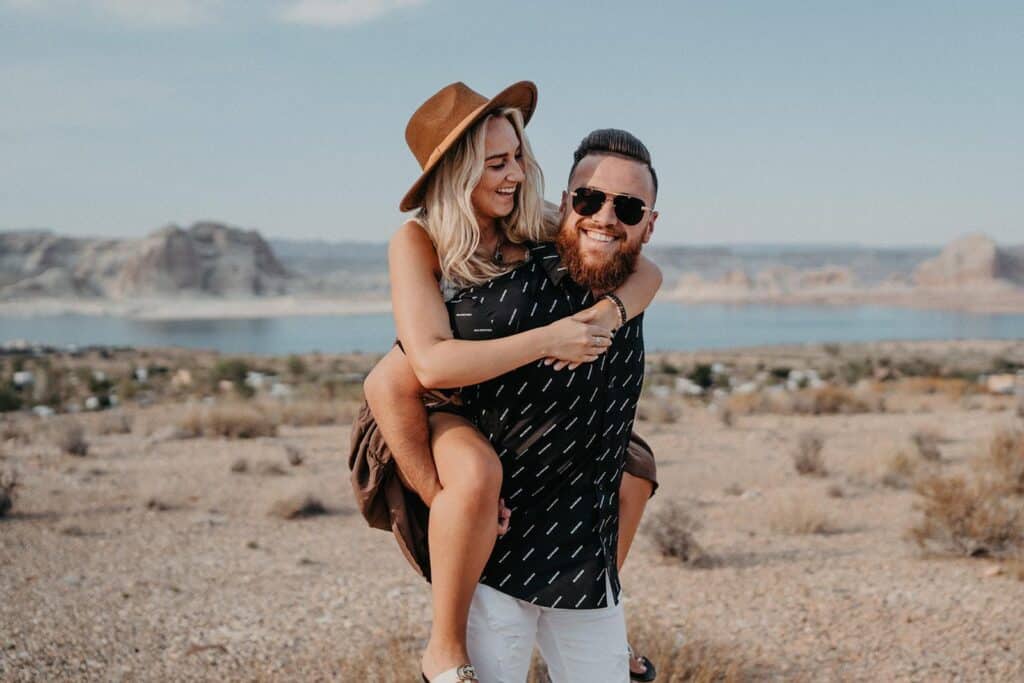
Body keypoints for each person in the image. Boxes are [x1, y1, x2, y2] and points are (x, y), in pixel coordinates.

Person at [351, 82, 659, 682]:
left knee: (632, 466)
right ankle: (445, 645)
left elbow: (643, 267)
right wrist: (551, 339)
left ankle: (602, 610)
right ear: (456, 172)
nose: (516, 173)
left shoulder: (534, 222)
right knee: (474, 480)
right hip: (434, 405)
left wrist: (607, 315)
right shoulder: (419, 241)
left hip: (508, 397)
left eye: (518, 156)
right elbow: (420, 369)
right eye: (496, 163)